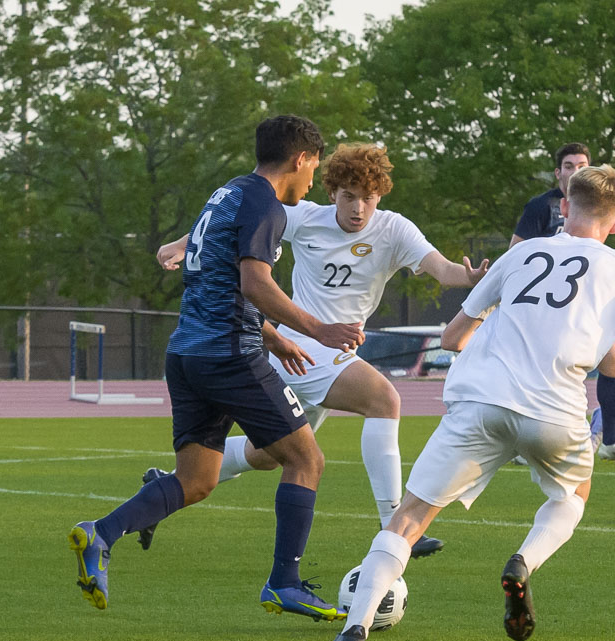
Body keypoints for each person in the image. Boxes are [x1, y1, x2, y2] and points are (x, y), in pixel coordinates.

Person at [314, 165, 615, 641]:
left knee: (409, 519)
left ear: (565, 207)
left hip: (480, 403)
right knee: (572, 497)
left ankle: (355, 628)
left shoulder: (522, 253)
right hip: (556, 412)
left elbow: (452, 338)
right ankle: (523, 562)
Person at [68, 115, 365, 620]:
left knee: (197, 480)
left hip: (187, 355)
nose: (313, 180)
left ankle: (101, 533)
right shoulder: (264, 205)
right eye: (314, 167)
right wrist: (320, 331)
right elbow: (254, 285)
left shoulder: (226, 194)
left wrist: (273, 339)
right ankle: (284, 582)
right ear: (301, 159)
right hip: (229, 357)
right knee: (306, 460)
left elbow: (219, 287)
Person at [156, 143, 489, 559]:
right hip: (302, 346)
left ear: (380, 196)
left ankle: (165, 486)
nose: (359, 208)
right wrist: (183, 242)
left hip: (332, 351)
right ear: (331, 192)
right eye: (349, 196)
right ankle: (395, 523)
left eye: (368, 198)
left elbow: (442, 269)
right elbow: (231, 222)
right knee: (384, 399)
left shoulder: (394, 229)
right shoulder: (303, 217)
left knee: (265, 456)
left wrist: (470, 276)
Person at [512, 143, 615, 463]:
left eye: (582, 165)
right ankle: (522, 442)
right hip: (547, 307)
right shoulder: (542, 206)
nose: (575, 171)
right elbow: (516, 252)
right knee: (544, 370)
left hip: (585, 303)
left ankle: (610, 439)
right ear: (558, 173)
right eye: (568, 166)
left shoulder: (597, 205)